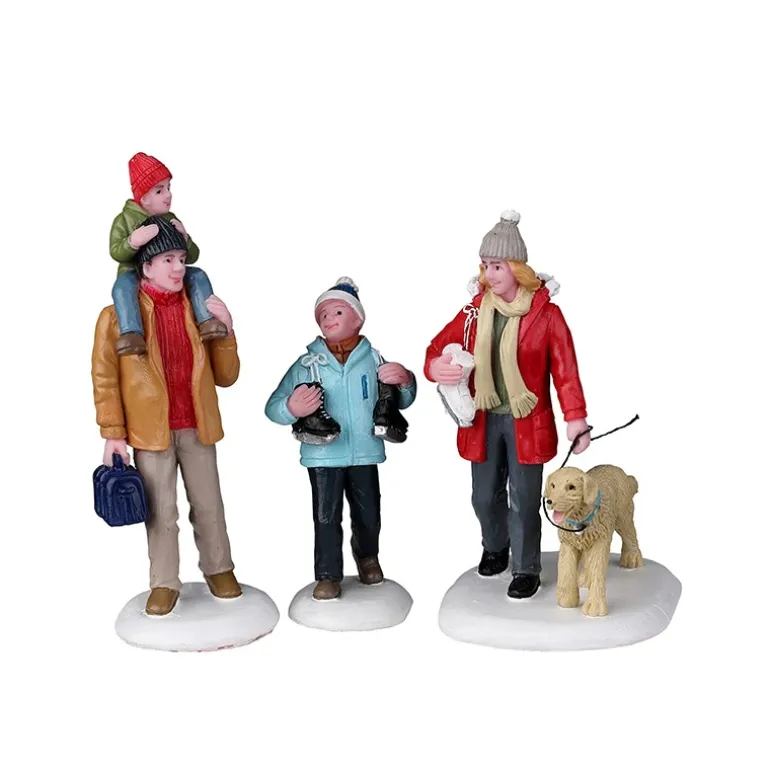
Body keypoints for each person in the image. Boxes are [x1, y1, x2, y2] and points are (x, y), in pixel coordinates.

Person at [424, 210, 590, 599]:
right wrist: (435, 367)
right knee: (484, 496)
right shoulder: (474, 312)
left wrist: (576, 417)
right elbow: (436, 347)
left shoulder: (546, 314)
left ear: (517, 268)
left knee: (525, 500)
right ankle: (495, 547)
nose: (489, 273)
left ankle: (526, 566)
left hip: (526, 421)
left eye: (497, 265)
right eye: (485, 265)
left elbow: (565, 370)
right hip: (483, 419)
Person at [92, 216, 241, 616]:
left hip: (197, 425)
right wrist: (113, 432)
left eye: (181, 259)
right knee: (161, 512)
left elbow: (227, 376)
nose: (178, 268)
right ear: (146, 267)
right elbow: (104, 380)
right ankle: (163, 581)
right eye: (168, 260)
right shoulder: (116, 318)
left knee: (209, 503)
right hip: (150, 432)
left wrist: (227, 330)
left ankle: (219, 568)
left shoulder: (200, 309)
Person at [265, 277, 417, 600]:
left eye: (337, 312)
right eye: (323, 315)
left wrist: (404, 380)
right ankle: (327, 574)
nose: (328, 319)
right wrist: (292, 407)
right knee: (325, 516)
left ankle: (368, 557)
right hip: (323, 455)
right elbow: (273, 407)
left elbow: (402, 401)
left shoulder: (374, 359)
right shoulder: (306, 365)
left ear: (358, 319)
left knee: (369, 513)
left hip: (364, 451)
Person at [109, 152, 227, 356]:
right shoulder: (124, 220)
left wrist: (185, 238)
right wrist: (132, 242)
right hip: (135, 272)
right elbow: (116, 252)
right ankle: (132, 332)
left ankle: (206, 319)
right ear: (144, 198)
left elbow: (192, 257)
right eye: (159, 190)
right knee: (122, 287)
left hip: (169, 272)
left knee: (198, 275)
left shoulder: (170, 218)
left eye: (168, 188)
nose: (168, 195)